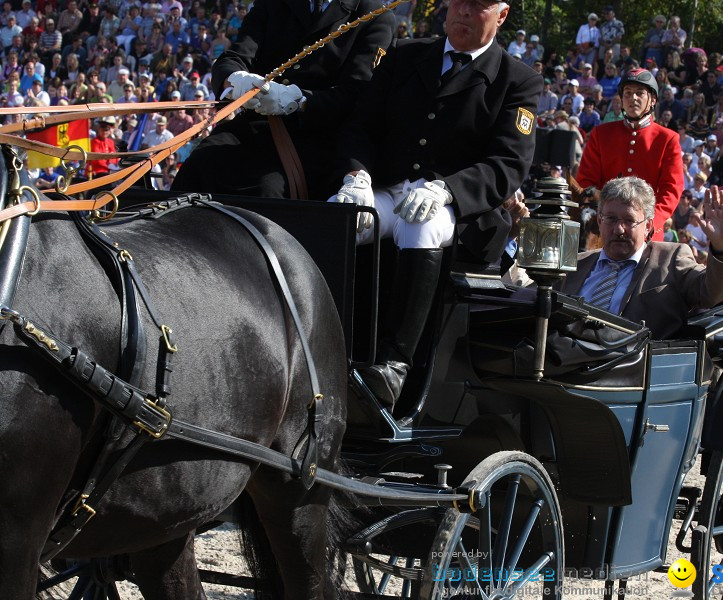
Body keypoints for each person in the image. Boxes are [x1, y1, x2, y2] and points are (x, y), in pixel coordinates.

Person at [328, 0, 541, 410]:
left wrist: (447, 190)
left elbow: (509, 164)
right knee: (338, 217)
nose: (463, 11)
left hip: (459, 212)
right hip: (389, 189)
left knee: (420, 225)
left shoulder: (518, 80)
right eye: (458, 1)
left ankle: (394, 366)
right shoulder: (406, 56)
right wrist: (356, 176)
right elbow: (361, 126)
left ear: (501, 15)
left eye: (478, 5)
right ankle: (319, 342)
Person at [172, 0, 394, 199]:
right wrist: (234, 79)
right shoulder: (273, 4)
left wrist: (297, 100)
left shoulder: (375, 15)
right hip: (254, 125)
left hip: (315, 137)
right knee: (196, 167)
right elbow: (235, 57)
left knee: (263, 190)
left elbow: (356, 95)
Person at [561, 177, 723, 339]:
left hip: (630, 367)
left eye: (629, 221)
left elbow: (716, 292)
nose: (619, 229)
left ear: (648, 226)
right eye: (611, 219)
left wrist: (722, 248)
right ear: (600, 222)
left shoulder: (671, 260)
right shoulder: (575, 263)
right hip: (562, 361)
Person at [576, 68, 682, 241]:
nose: (633, 98)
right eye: (628, 93)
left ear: (652, 100)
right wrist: (602, 217)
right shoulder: (600, 134)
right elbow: (586, 182)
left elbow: (671, 190)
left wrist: (650, 223)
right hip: (604, 233)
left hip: (646, 234)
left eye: (640, 93)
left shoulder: (668, 139)